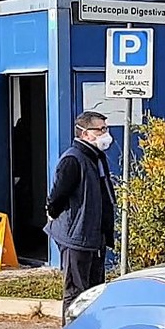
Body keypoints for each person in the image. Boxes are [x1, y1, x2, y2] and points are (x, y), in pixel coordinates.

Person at [46, 111, 116, 317]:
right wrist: (52, 213)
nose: (106, 134)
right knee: (76, 291)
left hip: (95, 237)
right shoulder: (73, 159)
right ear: (85, 133)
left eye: (106, 128)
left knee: (94, 291)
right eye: (101, 129)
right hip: (77, 237)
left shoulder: (97, 157)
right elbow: (57, 196)